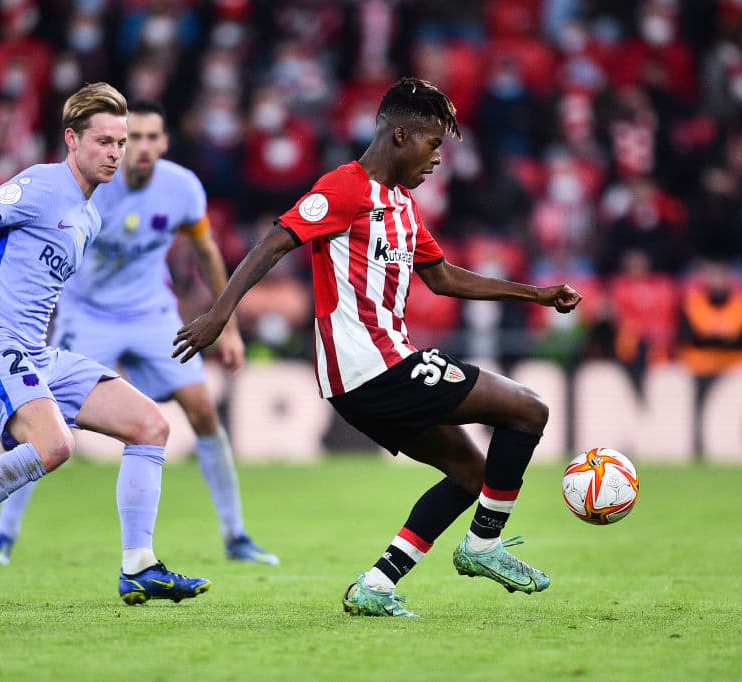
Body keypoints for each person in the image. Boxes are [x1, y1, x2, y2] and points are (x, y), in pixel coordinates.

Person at [173, 77, 582, 617]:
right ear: (399, 135)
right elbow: (276, 240)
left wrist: (534, 294)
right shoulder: (345, 188)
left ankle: (377, 585)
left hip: (374, 375)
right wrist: (220, 314)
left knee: (469, 473)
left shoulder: (403, 206)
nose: (438, 158)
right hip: (376, 365)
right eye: (433, 144)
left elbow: (443, 279)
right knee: (529, 410)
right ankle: (484, 544)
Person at [0, 82, 211, 606]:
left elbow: (41, 297)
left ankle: (139, 566)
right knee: (55, 447)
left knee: (150, 425)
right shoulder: (42, 185)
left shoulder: (89, 215)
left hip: (34, 353)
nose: (116, 153)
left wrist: (24, 395)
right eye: (104, 142)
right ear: (71, 139)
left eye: (121, 142)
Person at [0, 100, 278, 566]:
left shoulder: (181, 189)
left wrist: (231, 328)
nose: (138, 147)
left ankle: (236, 534)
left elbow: (206, 251)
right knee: (41, 421)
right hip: (89, 313)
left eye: (148, 137)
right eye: (130, 137)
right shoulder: (91, 186)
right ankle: (3, 534)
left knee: (202, 409)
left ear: (163, 143)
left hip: (152, 314)